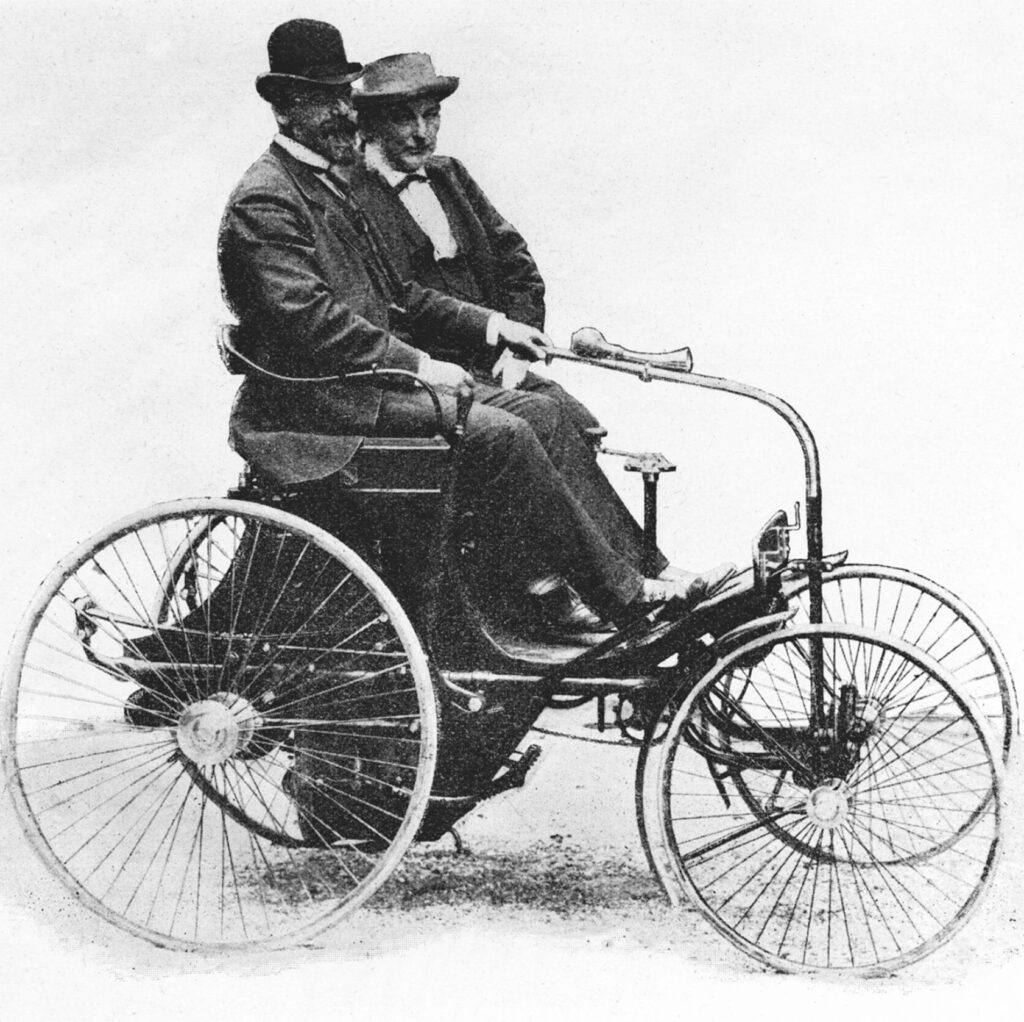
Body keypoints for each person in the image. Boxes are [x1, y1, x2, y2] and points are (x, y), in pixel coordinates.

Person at [218, 19, 731, 627]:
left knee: (541, 412)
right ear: (283, 108)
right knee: (503, 434)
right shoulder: (267, 197)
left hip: (367, 385)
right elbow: (309, 321)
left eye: (342, 96)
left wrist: (495, 325)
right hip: (318, 408)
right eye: (321, 99)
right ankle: (622, 596)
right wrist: (420, 363)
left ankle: (637, 575)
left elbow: (401, 296)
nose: (341, 112)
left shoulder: (326, 185)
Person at [350, 52, 598, 437]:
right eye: (403, 118)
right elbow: (394, 301)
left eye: (431, 115)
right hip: (429, 379)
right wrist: (490, 331)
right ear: (369, 125)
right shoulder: (351, 195)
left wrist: (517, 346)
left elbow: (516, 264)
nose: (422, 133)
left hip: (491, 363)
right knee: (541, 418)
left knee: (582, 424)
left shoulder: (449, 175)